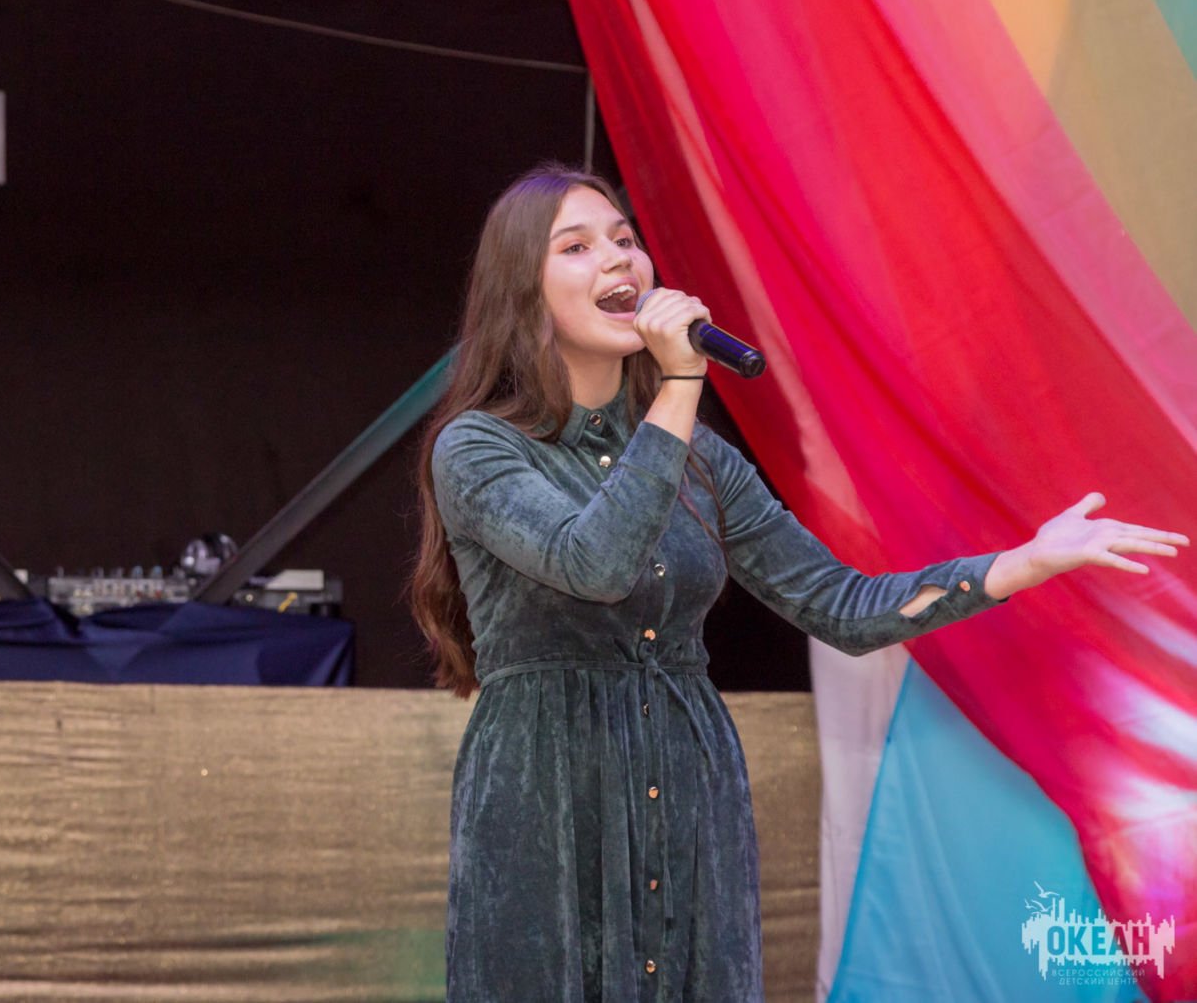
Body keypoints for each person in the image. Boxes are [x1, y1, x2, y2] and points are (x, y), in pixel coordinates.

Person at [409, 164, 1186, 1001]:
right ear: (522, 292)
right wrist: (680, 386)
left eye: (625, 239)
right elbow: (593, 564)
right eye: (577, 247)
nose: (617, 259)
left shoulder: (700, 458)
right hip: (547, 790)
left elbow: (840, 606)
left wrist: (1020, 562)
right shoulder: (479, 448)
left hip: (688, 783)